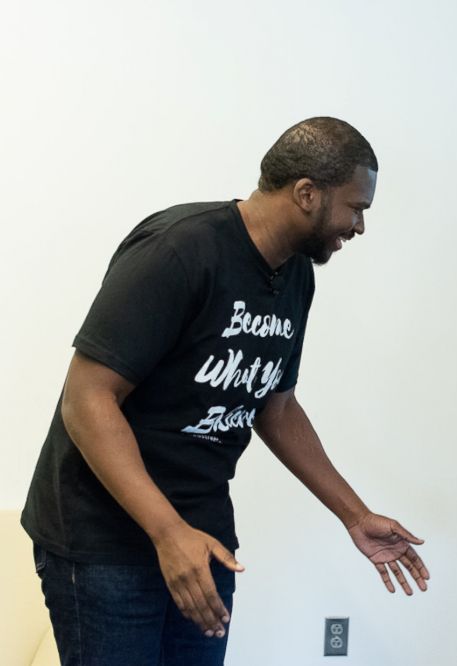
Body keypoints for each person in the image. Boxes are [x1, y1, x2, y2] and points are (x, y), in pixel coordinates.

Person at [21, 117, 429, 666]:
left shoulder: (295, 275)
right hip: (103, 537)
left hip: (201, 533)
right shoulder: (179, 250)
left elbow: (276, 407)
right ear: (307, 193)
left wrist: (354, 515)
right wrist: (167, 534)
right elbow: (87, 398)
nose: (358, 226)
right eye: (356, 207)